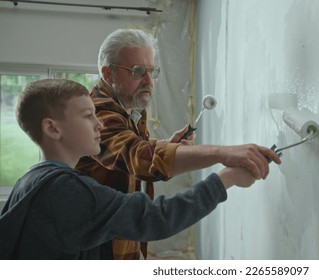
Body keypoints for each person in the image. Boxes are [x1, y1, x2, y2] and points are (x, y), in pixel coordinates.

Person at [0, 79, 275, 260]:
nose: (100, 125)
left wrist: (168, 147)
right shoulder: (64, 190)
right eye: (87, 116)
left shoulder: (33, 180)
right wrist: (224, 178)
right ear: (52, 128)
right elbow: (155, 218)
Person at [75, 28, 281, 259]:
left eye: (152, 71)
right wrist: (224, 153)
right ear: (108, 73)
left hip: (123, 241)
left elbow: (133, 154)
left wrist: (167, 145)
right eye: (138, 71)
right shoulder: (97, 113)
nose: (149, 81)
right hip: (98, 249)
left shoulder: (130, 107)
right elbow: (137, 157)